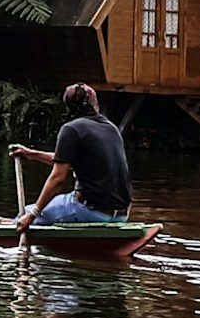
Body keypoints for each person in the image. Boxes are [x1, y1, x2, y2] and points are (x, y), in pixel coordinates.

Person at [9, 83, 133, 229]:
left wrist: (33, 214)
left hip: (89, 212)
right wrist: (32, 154)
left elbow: (58, 179)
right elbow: (69, 160)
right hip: (121, 215)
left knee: (24, 212)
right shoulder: (111, 129)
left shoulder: (71, 129)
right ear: (95, 103)